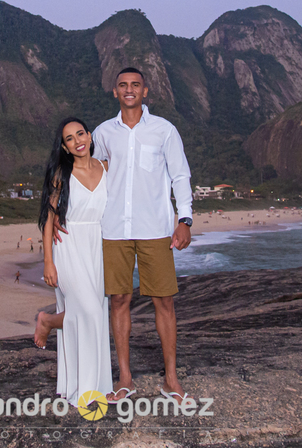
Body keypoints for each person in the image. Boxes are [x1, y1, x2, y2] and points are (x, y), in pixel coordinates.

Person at [92, 67, 194, 403]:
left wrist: (186, 219)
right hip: (114, 229)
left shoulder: (164, 130)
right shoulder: (104, 133)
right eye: (123, 85)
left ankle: (171, 379)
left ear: (145, 91)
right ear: (115, 92)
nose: (129, 90)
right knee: (119, 301)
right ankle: (124, 378)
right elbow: (92, 177)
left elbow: (180, 176)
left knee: (164, 302)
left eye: (135, 84)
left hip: (155, 230)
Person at [32, 117, 113, 405]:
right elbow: (49, 219)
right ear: (65, 147)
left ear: (90, 136)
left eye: (80, 133)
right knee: (89, 312)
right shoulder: (60, 174)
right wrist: (48, 262)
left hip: (98, 247)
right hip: (67, 245)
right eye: (69, 138)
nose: (77, 140)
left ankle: (94, 387)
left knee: (95, 313)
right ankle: (85, 391)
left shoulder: (106, 168)